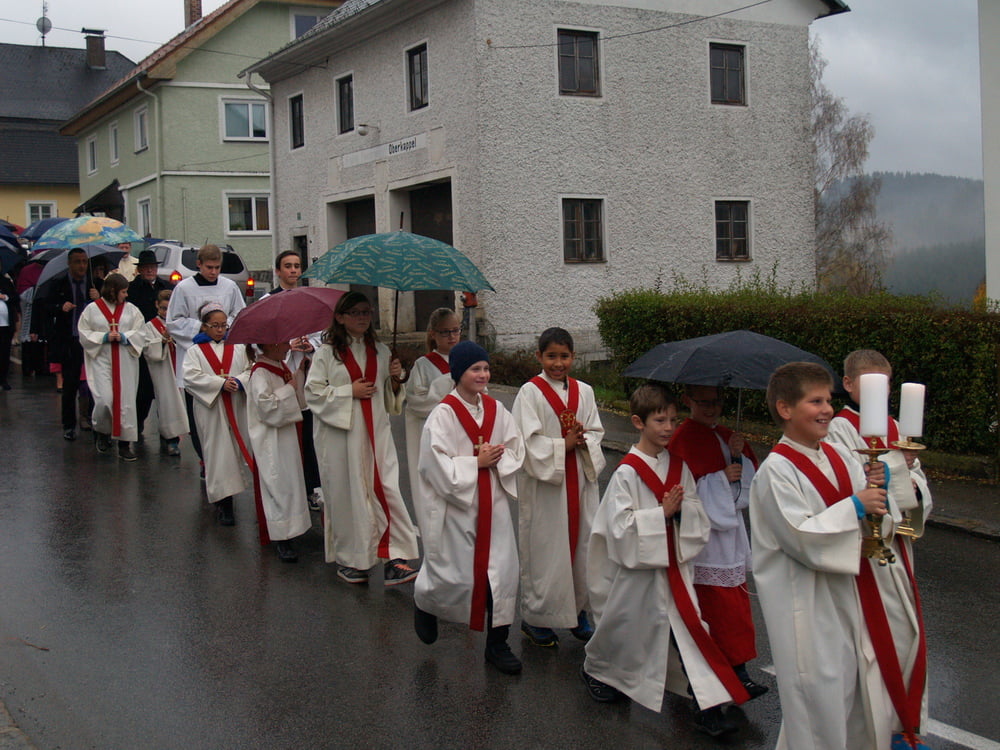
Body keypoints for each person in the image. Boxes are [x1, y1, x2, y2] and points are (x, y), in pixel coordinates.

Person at [582, 383, 749, 738]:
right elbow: (618, 529)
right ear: (638, 422)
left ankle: (709, 709)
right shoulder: (627, 473)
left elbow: (698, 513)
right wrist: (661, 514)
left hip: (677, 571)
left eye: (673, 419)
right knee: (626, 631)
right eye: (660, 420)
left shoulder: (679, 466)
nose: (669, 427)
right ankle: (598, 669)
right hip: (640, 577)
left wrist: (681, 513)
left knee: (692, 633)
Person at [749, 362, 900, 750]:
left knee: (853, 697)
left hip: (848, 598)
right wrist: (856, 505)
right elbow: (801, 536)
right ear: (785, 409)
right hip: (806, 607)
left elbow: (873, 521)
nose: (827, 409)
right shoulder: (776, 471)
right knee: (817, 707)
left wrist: (879, 496)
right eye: (815, 401)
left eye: (829, 400)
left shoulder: (839, 454)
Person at [826, 349, 932, 748]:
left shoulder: (895, 426)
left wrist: (907, 473)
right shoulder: (839, 428)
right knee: (878, 639)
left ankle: (903, 722)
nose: (881, 393)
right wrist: (891, 473)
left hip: (898, 544)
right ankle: (880, 726)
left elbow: (916, 487)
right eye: (870, 384)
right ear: (848, 384)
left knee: (907, 632)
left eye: (885, 385)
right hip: (869, 550)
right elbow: (850, 482)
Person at [412, 341, 526, 674]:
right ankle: (426, 603)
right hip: (459, 506)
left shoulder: (497, 409)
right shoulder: (442, 415)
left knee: (502, 575)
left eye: (486, 368)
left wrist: (499, 459)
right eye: (475, 368)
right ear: (458, 372)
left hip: (494, 504)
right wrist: (474, 462)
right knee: (456, 574)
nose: (483, 374)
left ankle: (498, 643)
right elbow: (432, 464)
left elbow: (515, 447)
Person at [305, 291, 419, 585]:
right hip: (341, 439)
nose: (362, 318)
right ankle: (353, 561)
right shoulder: (326, 354)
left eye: (366, 312)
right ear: (340, 318)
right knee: (349, 497)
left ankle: (394, 558)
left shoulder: (380, 351)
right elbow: (312, 394)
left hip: (376, 435)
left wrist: (395, 379)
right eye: (355, 312)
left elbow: (390, 400)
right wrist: (348, 392)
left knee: (386, 490)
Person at [668, 385, 767, 698]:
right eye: (704, 402)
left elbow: (749, 487)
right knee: (714, 608)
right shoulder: (683, 438)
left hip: (731, 536)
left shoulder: (727, 435)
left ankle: (739, 669)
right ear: (688, 400)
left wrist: (739, 454)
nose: (712, 408)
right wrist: (722, 477)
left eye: (717, 402)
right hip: (704, 540)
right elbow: (683, 490)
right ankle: (720, 675)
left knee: (735, 607)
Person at [512, 327, 605, 647]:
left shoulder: (585, 392)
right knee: (547, 552)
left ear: (573, 357)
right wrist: (561, 445)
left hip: (579, 481)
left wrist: (584, 439)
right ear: (539, 356)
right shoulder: (529, 393)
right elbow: (524, 442)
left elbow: (597, 432)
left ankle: (577, 612)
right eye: (551, 356)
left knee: (582, 548)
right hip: (547, 490)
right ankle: (536, 617)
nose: (558, 363)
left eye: (564, 356)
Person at [166, 244, 245, 473]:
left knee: (227, 413)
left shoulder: (229, 286)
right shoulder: (184, 288)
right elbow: (174, 321)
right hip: (197, 354)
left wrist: (222, 326)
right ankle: (205, 459)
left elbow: (240, 314)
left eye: (217, 267)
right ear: (198, 264)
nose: (213, 272)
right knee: (199, 415)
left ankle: (228, 459)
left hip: (225, 353)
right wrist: (202, 328)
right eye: (209, 267)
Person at [182, 302, 252, 526]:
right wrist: (219, 384)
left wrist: (239, 381)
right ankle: (224, 502)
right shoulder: (195, 352)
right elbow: (190, 377)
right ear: (204, 326)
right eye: (215, 325)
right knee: (217, 453)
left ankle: (229, 497)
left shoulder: (238, 348)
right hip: (211, 409)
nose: (221, 330)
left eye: (224, 325)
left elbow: (250, 369)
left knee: (234, 451)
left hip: (235, 405)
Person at [265, 250, 322, 511]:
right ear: (278, 271)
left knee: (308, 437)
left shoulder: (309, 300)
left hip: (306, 374)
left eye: (297, 266)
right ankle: (287, 490)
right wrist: (288, 346)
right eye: (287, 266)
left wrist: (311, 345)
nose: (293, 270)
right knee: (287, 437)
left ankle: (311, 488)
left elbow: (321, 334)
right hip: (282, 373)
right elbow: (260, 342)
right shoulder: (267, 301)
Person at [245, 340, 312, 562]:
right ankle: (281, 536)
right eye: (283, 343)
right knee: (277, 483)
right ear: (271, 345)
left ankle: (293, 527)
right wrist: (289, 389)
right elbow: (265, 406)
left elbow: (293, 393)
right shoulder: (260, 373)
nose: (287, 347)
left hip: (286, 435)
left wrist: (300, 373)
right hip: (270, 439)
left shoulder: (279, 366)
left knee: (290, 481)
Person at [77, 273, 145, 461]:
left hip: (125, 361)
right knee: (104, 400)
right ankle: (102, 431)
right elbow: (84, 332)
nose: (126, 295)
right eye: (123, 291)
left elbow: (141, 332)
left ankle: (124, 445)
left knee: (125, 403)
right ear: (113, 290)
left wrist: (125, 337)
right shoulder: (92, 310)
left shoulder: (131, 310)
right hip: (102, 360)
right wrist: (103, 337)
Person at [403, 307, 460, 508]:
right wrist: (446, 389)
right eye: (445, 332)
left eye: (455, 330)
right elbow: (415, 401)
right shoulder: (423, 365)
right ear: (433, 334)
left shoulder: (466, 359)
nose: (451, 336)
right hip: (436, 432)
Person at [46, 247, 97, 440]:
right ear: (69, 263)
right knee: (70, 384)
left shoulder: (93, 284)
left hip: (91, 340)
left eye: (84, 261)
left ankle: (93, 420)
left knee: (93, 384)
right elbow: (46, 307)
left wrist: (98, 298)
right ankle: (69, 425)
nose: (82, 266)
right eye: (77, 262)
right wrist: (60, 307)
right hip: (70, 340)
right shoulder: (59, 284)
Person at [129, 249, 171, 440]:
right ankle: (138, 424)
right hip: (143, 343)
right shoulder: (132, 289)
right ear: (139, 269)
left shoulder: (166, 287)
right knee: (143, 391)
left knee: (166, 392)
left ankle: (167, 433)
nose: (149, 270)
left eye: (152, 267)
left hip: (165, 343)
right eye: (145, 267)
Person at [140, 290, 188, 455]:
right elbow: (147, 348)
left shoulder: (181, 324)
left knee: (180, 404)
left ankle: (176, 438)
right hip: (163, 370)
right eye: (163, 308)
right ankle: (170, 440)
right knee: (167, 403)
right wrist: (161, 340)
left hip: (180, 368)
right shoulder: (150, 326)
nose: (166, 313)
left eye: (169, 309)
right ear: (156, 305)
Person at [0, 272, 20, 391]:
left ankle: (3, 379)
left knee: (4, 353)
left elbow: (16, 298)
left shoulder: (6, 282)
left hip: (6, 325)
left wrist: (5, 297)